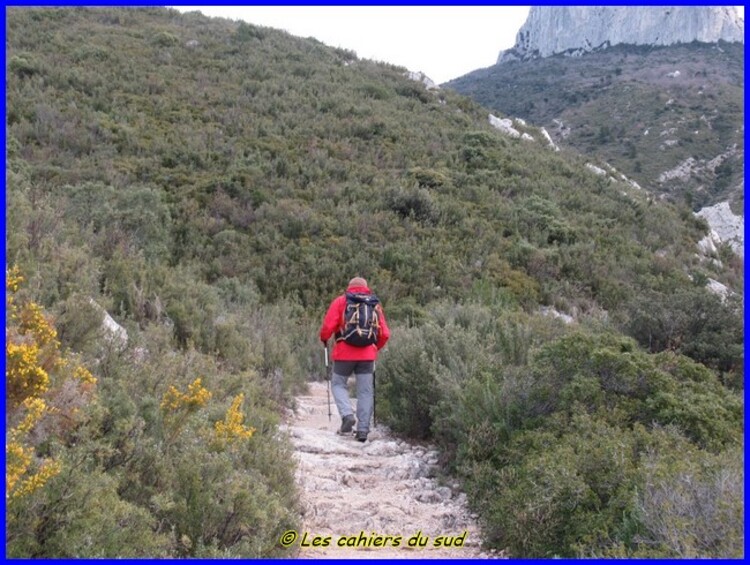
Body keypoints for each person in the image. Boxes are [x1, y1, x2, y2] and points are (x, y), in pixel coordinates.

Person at [320, 276, 390, 442]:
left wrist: (324, 338)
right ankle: (363, 430)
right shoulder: (374, 304)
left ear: (349, 287)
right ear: (366, 288)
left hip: (344, 352)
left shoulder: (341, 301)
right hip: (367, 355)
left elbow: (328, 327)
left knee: (338, 384)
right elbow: (385, 334)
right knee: (365, 391)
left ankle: (347, 415)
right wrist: (374, 348)